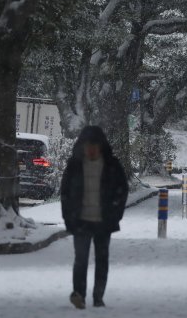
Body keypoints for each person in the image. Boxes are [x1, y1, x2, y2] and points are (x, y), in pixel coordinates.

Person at [60, 125, 129, 310]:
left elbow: (122, 191)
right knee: (80, 260)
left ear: (101, 146)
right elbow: (65, 193)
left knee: (102, 260)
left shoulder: (112, 166)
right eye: (87, 146)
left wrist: (115, 215)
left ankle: (98, 297)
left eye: (94, 146)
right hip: (80, 221)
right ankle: (79, 295)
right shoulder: (74, 166)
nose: (90, 150)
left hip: (103, 222)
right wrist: (68, 218)